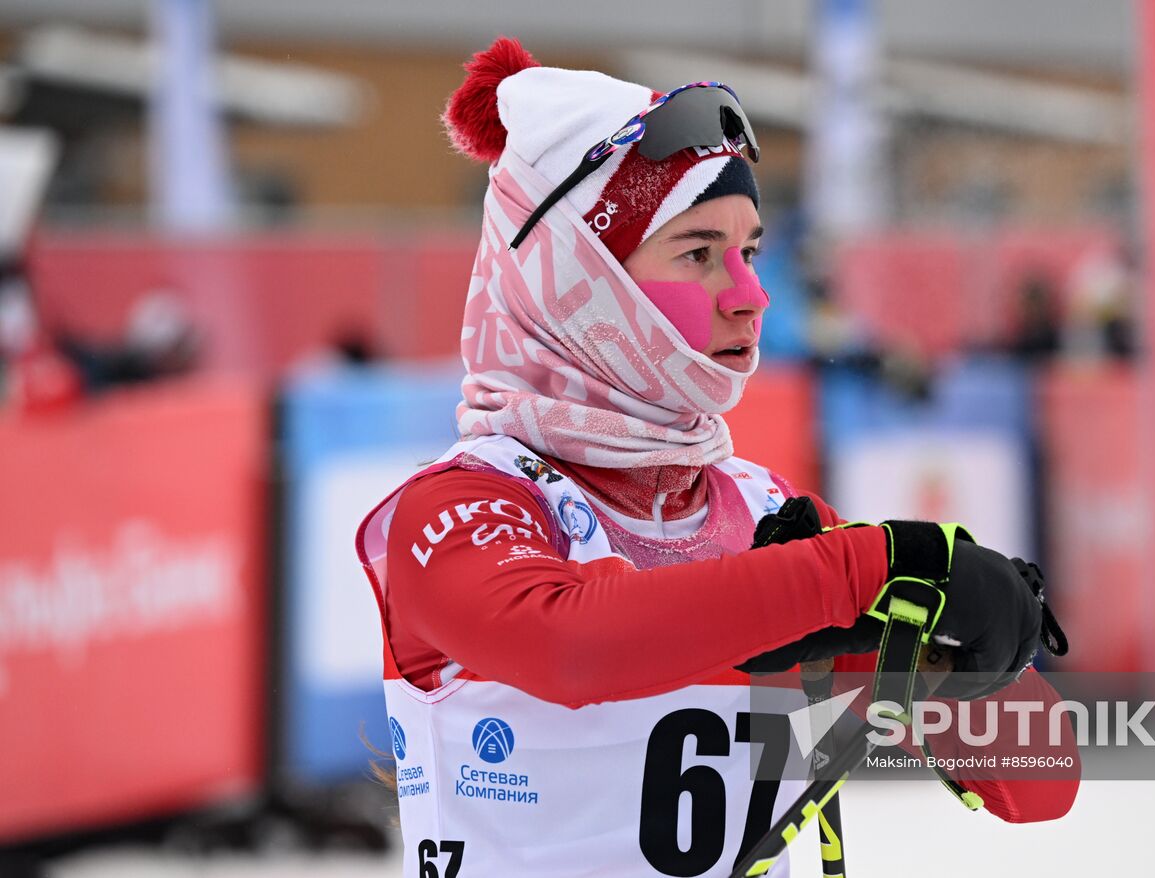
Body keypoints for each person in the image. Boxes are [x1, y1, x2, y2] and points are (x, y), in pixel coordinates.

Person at [356, 38, 1077, 878]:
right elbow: (568, 645)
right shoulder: (462, 508)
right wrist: (858, 573)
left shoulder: (758, 515)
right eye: (698, 254)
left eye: (750, 252)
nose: (749, 295)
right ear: (577, 284)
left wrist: (949, 641)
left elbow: (1040, 779)